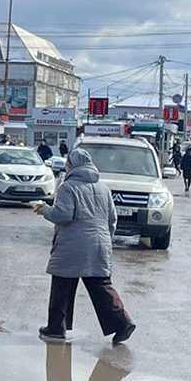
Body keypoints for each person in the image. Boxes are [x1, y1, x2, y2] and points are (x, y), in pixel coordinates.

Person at [35, 148, 135, 345]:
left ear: (71, 165)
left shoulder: (68, 187)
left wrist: (45, 210)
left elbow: (63, 214)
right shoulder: (103, 188)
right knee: (100, 284)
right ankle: (122, 322)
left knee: (63, 284)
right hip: (101, 243)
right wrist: (105, 240)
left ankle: (56, 328)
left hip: (74, 244)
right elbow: (112, 220)